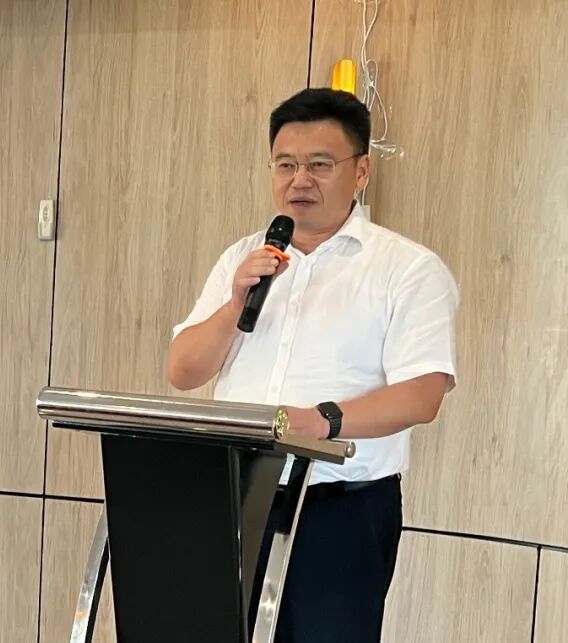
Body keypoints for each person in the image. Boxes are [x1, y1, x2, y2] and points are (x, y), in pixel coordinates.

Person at [166, 87, 459, 642]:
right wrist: (235, 303)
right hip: (231, 497)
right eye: (285, 165)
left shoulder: (407, 269)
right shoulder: (243, 259)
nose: (299, 180)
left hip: (338, 510)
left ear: (361, 170)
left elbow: (422, 395)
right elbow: (183, 371)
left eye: (319, 164)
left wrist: (320, 421)